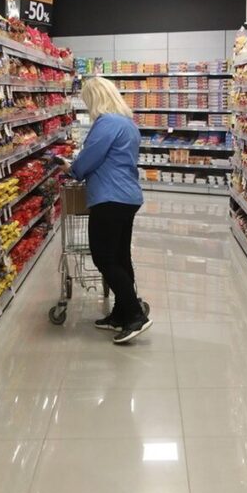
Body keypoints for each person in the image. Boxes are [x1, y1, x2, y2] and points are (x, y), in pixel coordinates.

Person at [63, 76, 151, 344]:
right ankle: (120, 314)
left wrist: (72, 169)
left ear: (95, 98)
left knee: (104, 258)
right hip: (127, 196)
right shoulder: (127, 122)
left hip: (109, 197)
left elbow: (91, 156)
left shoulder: (107, 123)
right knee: (121, 257)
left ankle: (135, 314)